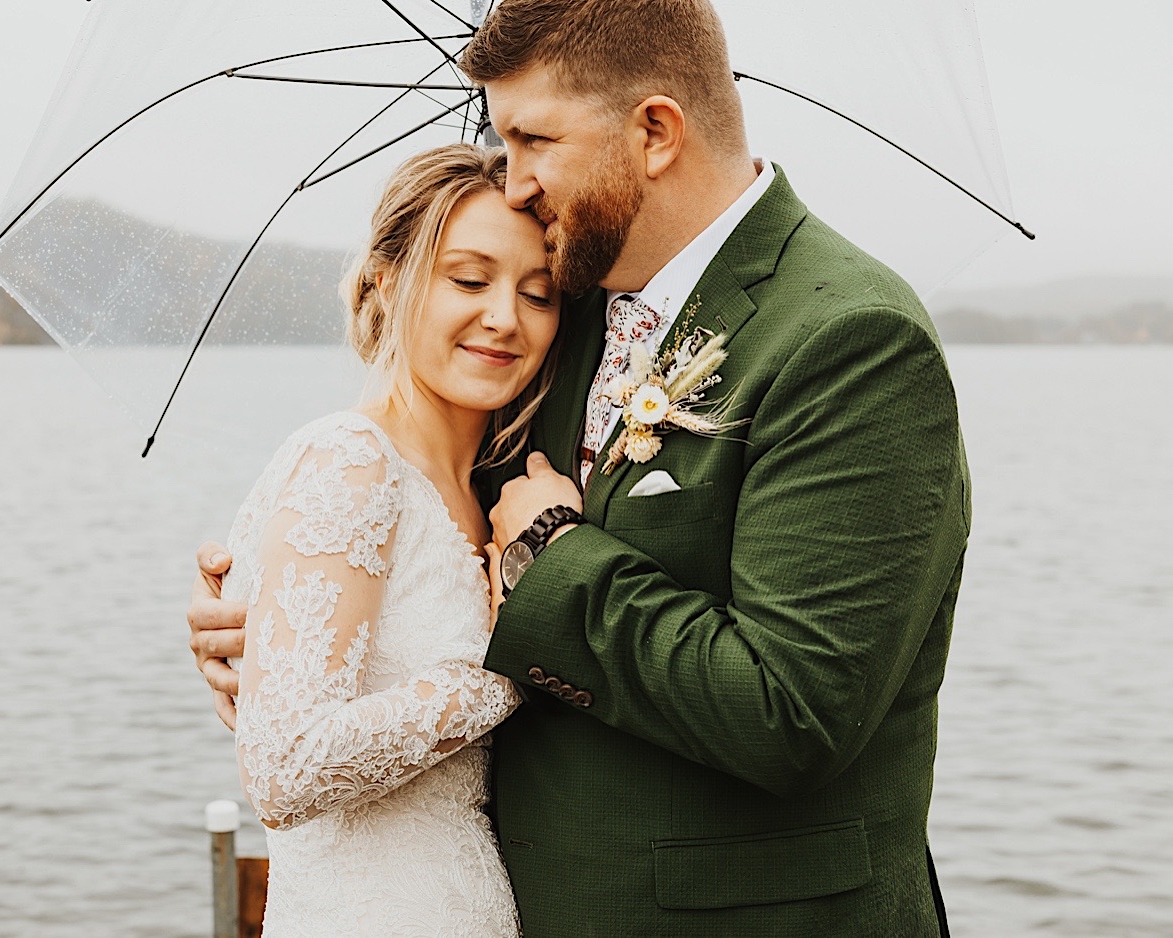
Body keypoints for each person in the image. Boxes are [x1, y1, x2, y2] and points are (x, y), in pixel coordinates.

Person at [191, 0, 968, 934]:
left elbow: (793, 709)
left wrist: (553, 559)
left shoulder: (850, 338)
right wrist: (268, 633)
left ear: (653, 132)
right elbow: (419, 545)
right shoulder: (570, 306)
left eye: (533, 139)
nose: (514, 183)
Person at [217, 142, 559, 935]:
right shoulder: (350, 461)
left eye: (538, 294)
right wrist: (514, 661)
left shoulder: (493, 493)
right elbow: (283, 766)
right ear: (388, 279)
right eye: (469, 280)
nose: (504, 317)